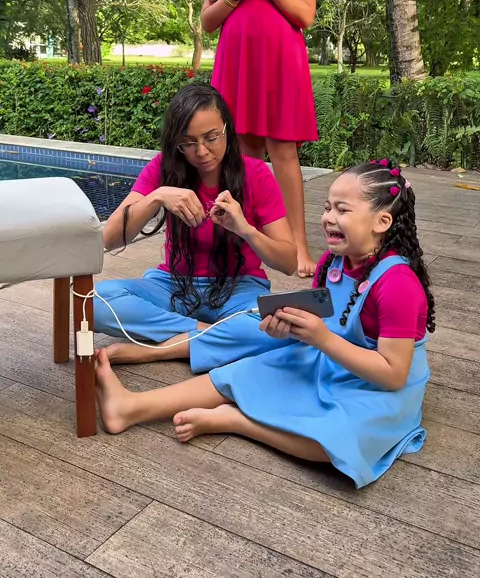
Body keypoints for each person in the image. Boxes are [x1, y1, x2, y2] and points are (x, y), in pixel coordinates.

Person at [95, 159, 435, 489]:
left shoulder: (398, 284)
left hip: (376, 388)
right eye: (327, 207)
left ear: (382, 221)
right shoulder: (334, 262)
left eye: (342, 210)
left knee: (341, 439)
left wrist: (321, 339)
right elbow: (322, 320)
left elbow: (393, 375)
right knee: (242, 371)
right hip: (329, 359)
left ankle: (238, 421)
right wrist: (287, 326)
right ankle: (131, 407)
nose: (328, 218)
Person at [94, 83, 297, 372]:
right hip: (173, 284)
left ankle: (156, 350)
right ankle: (213, 336)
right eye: (188, 142)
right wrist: (156, 197)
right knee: (95, 303)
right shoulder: (163, 167)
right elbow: (109, 238)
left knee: (284, 326)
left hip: (239, 288)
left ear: (227, 129)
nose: (202, 151)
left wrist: (245, 229)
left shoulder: (256, 174)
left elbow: (289, 262)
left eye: (211, 137)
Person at [201, 0, 318, 278]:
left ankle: (298, 245)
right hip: (238, 66)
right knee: (245, 153)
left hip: (281, 65)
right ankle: (247, 241)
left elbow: (304, 16)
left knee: (283, 150)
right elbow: (208, 22)